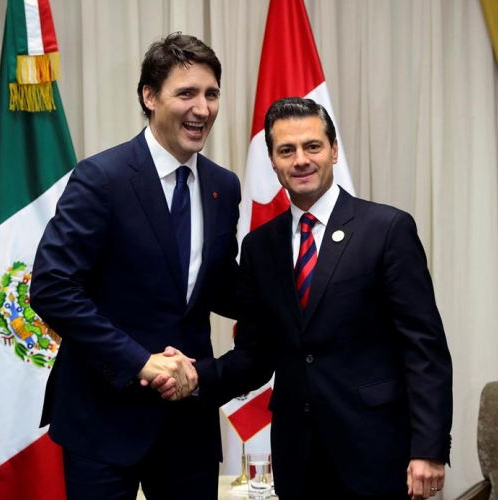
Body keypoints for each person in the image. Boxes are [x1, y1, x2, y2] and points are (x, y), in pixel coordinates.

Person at [159, 97, 453, 500]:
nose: (301, 160)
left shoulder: (386, 230)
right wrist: (195, 377)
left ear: (333, 150)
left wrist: (429, 450)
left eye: (312, 146)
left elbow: (425, 349)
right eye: (286, 150)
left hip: (377, 453)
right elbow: (256, 354)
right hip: (299, 458)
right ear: (273, 161)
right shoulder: (261, 246)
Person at [30, 33, 240, 500]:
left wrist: (302, 274)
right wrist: (140, 362)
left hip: (188, 422)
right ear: (149, 96)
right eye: (186, 93)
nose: (202, 108)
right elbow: (52, 288)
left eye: (211, 94)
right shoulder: (101, 177)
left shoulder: (223, 188)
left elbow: (220, 288)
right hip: (103, 419)